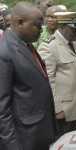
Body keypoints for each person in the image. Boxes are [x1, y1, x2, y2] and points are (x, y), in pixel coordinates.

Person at [0, 2, 56, 150]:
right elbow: (2, 109)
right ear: (20, 23)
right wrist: (12, 146)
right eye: (37, 26)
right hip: (24, 138)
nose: (41, 29)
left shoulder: (25, 44)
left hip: (39, 131)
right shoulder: (4, 52)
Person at [40, 11, 76, 138]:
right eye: (74, 30)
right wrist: (57, 108)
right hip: (64, 110)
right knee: (63, 142)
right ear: (62, 27)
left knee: (75, 141)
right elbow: (48, 80)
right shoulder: (50, 47)